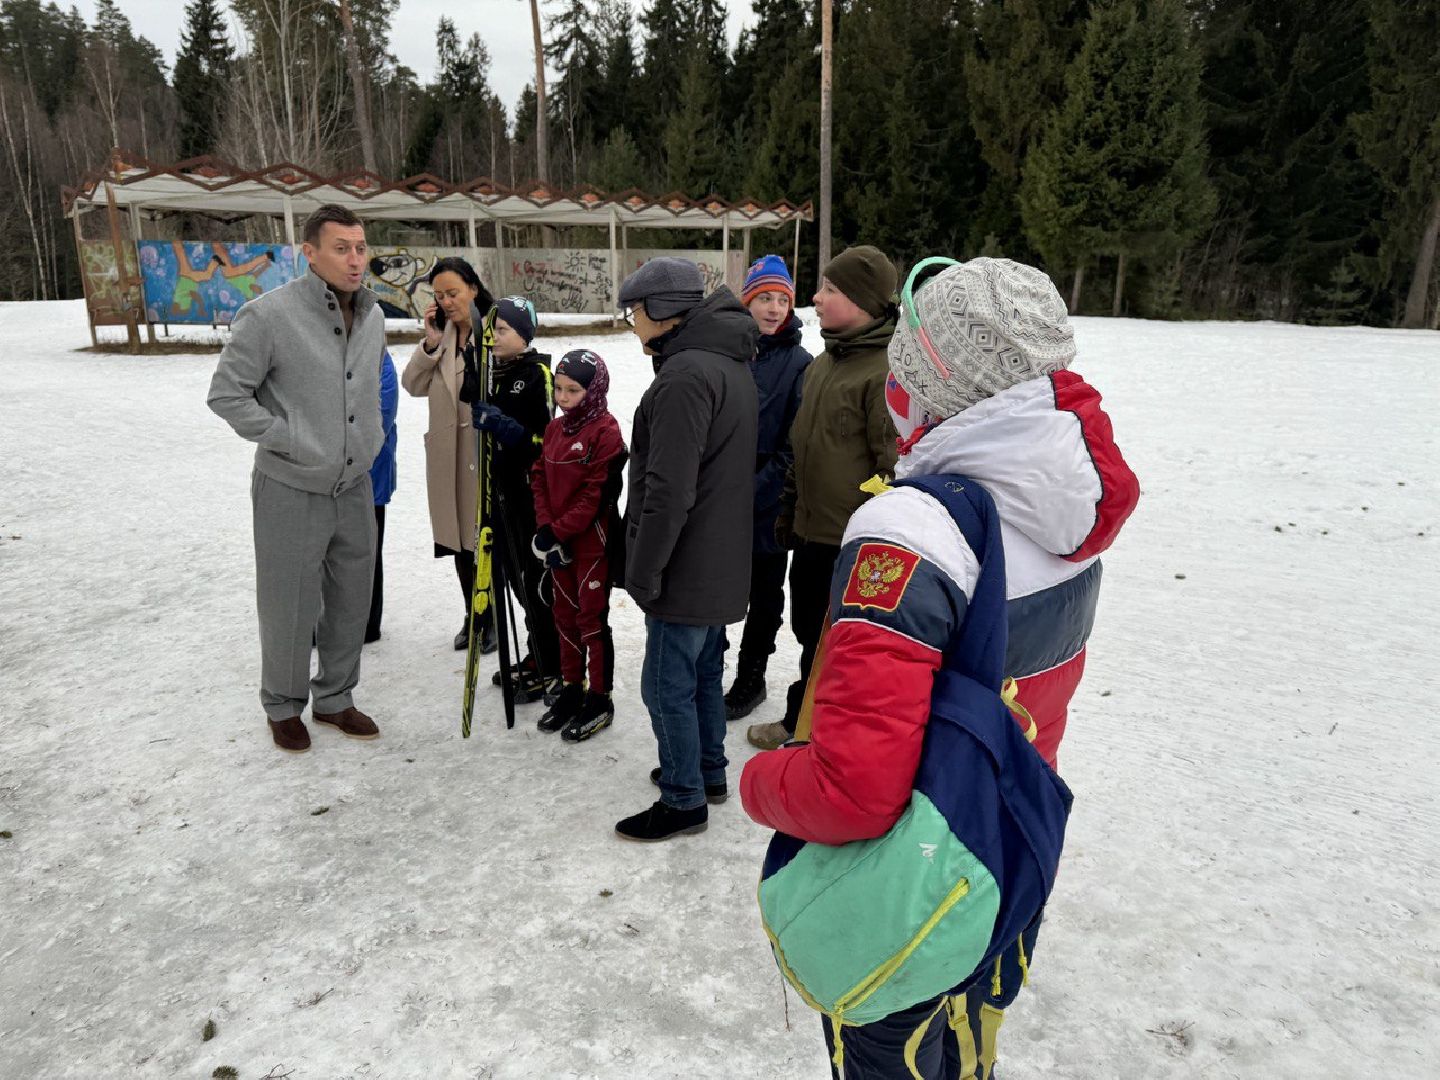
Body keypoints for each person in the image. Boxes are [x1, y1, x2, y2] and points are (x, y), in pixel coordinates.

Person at [740, 257, 1140, 1079]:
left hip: (913, 889)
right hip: (1008, 853)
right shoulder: (1062, 503)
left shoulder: (914, 531)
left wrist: (763, 783)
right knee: (967, 1043)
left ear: (933, 375)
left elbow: (854, 790)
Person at [207, 203, 384, 753]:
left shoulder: (374, 314)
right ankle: (282, 705)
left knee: (352, 599)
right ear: (309, 253)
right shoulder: (269, 316)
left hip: (354, 484)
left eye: (360, 248)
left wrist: (369, 441)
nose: (355, 260)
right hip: (290, 486)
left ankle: (335, 697)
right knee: (290, 601)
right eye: (341, 248)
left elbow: (364, 393)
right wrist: (290, 437)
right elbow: (226, 395)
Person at [614, 257, 759, 842]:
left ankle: (683, 799)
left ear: (662, 312)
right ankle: (707, 772)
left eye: (635, 312)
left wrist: (642, 571)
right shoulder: (726, 362)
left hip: (685, 561)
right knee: (701, 674)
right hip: (719, 557)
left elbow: (668, 489)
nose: (632, 323)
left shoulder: (683, 378)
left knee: (663, 685)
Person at [748, 245, 899, 751]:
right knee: (811, 633)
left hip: (853, 545)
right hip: (812, 535)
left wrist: (874, 536)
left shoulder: (883, 373)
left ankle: (818, 731)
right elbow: (798, 447)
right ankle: (810, 723)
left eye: (829, 289)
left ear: (859, 300)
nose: (815, 298)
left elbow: (894, 465)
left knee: (843, 646)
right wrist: (789, 509)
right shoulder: (821, 366)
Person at [724, 255, 813, 721]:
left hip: (769, 500)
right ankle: (708, 662)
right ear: (748, 302)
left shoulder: (800, 363)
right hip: (718, 492)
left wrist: (752, 491)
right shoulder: (729, 350)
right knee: (714, 583)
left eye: (783, 299)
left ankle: (751, 676)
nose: (775, 308)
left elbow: (794, 446)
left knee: (764, 594)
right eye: (765, 298)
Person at [469, 295, 563, 704]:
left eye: (503, 329)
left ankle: (551, 662)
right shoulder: (495, 369)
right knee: (516, 582)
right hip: (500, 492)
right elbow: (468, 393)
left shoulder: (538, 372)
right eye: (490, 329)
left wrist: (507, 429)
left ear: (524, 335)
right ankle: (536, 652)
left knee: (534, 582)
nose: (494, 337)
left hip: (530, 496)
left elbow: (546, 442)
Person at [401, 257, 497, 654]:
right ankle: (473, 615)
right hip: (447, 457)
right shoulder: (443, 337)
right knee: (459, 543)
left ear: (473, 288)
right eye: (439, 296)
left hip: (482, 455)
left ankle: (493, 618)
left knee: (487, 543)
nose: (446, 302)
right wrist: (430, 343)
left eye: (453, 293)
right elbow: (412, 384)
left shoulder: (495, 330)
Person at [530, 349, 628, 742]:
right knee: (563, 616)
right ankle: (572, 687)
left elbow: (596, 494)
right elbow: (538, 477)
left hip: (591, 543)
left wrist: (561, 531)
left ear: (594, 390)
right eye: (558, 388)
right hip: (557, 541)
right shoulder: (555, 430)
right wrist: (545, 530)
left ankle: (600, 698)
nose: (563, 397)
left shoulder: (606, 432)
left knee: (591, 620)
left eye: (573, 390)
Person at [364, 347, 398, 644]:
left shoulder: (379, 360)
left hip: (368, 477)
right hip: (329, 475)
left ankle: (366, 625)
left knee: (367, 552)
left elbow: (383, 417)